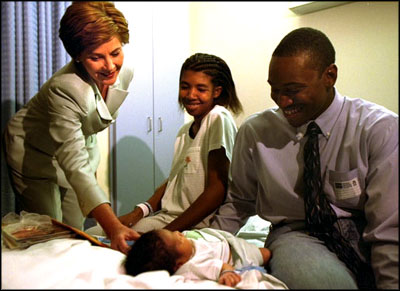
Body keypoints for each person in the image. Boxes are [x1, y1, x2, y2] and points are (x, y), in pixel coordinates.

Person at [211, 27, 398, 289]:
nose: (283, 101)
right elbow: (239, 202)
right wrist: (203, 246)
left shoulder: (379, 129)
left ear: (329, 76)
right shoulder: (255, 132)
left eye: (293, 89)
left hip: (363, 229)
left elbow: (389, 229)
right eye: (274, 90)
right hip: (298, 233)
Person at [2, 1, 140, 254]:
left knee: (75, 228)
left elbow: (83, 138)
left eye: (115, 52)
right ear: (77, 56)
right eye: (96, 57)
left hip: (77, 144)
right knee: (47, 232)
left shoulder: (125, 72)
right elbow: (74, 165)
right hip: (34, 149)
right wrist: (114, 227)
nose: (110, 66)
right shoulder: (64, 88)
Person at [116, 53, 243, 233]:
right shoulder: (184, 132)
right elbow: (174, 182)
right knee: (101, 231)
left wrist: (167, 233)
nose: (191, 95)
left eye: (201, 88)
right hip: (169, 218)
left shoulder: (218, 118)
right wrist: (139, 212)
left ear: (217, 91)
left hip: (196, 224)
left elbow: (217, 190)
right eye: (185, 87)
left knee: (109, 239)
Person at [124, 228, 276, 287]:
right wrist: (228, 273)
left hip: (224, 240)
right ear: (179, 264)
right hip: (237, 253)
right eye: (179, 240)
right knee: (267, 254)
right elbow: (221, 267)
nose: (178, 233)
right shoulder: (194, 266)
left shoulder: (184, 252)